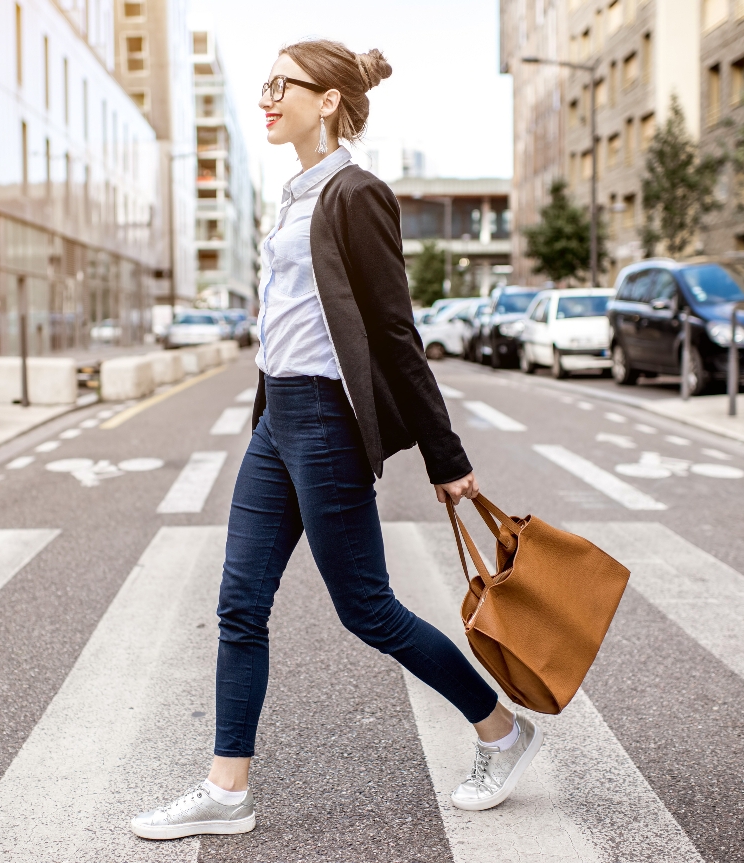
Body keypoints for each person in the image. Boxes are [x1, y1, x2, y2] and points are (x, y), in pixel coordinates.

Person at [130, 39, 542, 842]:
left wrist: (446, 456)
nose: (267, 97)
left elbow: (395, 331)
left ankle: (502, 730)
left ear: (328, 101)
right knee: (239, 602)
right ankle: (226, 788)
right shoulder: (293, 195)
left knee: (368, 609)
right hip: (276, 421)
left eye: (281, 84)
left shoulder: (357, 193)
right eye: (264, 83)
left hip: (323, 422)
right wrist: (263, 415)